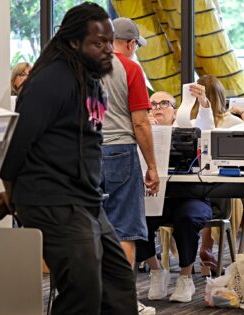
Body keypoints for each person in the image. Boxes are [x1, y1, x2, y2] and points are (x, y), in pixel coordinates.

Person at [0, 3, 138, 314]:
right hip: (53, 201)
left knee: (118, 285)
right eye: (98, 43)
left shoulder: (89, 78)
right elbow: (16, 143)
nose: (107, 50)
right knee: (82, 293)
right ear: (75, 43)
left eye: (109, 41)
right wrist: (12, 196)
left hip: (86, 200)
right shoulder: (51, 81)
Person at [100, 17, 159, 314]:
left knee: (90, 230)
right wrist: (152, 166)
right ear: (131, 43)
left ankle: (93, 299)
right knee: (124, 231)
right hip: (120, 152)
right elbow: (140, 122)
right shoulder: (131, 68)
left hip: (85, 153)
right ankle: (123, 303)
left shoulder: (87, 64)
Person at [137, 90, 213, 303]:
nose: (157, 108)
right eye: (153, 104)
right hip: (155, 197)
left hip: (192, 197)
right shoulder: (141, 134)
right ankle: (155, 270)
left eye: (164, 103)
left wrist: (203, 103)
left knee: (187, 218)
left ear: (176, 110)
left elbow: (207, 127)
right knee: (135, 217)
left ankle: (185, 277)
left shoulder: (186, 129)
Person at [190, 75, 244, 275]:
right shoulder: (233, 122)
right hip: (227, 187)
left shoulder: (188, 122)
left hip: (194, 186)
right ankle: (234, 257)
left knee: (203, 195)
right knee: (224, 195)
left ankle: (204, 251)